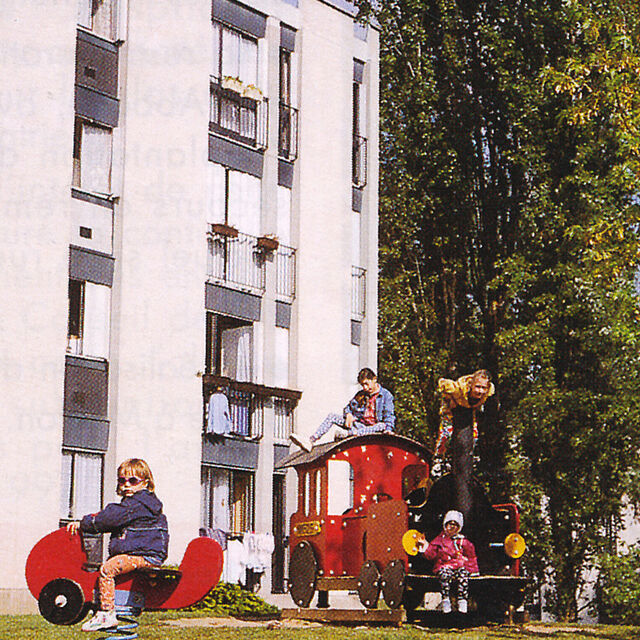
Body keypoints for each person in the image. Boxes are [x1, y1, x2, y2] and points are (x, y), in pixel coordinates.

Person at [66, 458, 169, 632]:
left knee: (107, 569)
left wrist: (84, 523)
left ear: (146, 482)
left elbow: (109, 518)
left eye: (133, 481)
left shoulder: (136, 504)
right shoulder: (143, 504)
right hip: (146, 554)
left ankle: (106, 613)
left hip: (143, 556)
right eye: (122, 480)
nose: (126, 485)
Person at [433, 370, 495, 521]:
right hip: (452, 406)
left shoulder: (490, 392)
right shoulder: (457, 388)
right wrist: (449, 398)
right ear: (471, 386)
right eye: (477, 387)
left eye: (483, 388)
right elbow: (442, 383)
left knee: (473, 436)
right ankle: (438, 459)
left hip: (468, 410)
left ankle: (471, 459)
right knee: (446, 435)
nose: (480, 391)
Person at [290, 367, 395, 452]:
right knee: (332, 416)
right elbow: (348, 408)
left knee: (382, 425)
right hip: (358, 425)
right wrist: (348, 414)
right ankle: (311, 440)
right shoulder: (361, 395)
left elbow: (389, 415)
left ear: (374, 379)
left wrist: (388, 430)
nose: (365, 388)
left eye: (367, 383)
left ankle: (347, 435)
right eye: (362, 385)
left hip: (374, 429)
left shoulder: (385, 395)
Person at [417, 510, 478, 614]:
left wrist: (473, 570)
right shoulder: (439, 540)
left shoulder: (463, 542)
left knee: (463, 576)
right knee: (445, 576)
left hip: (458, 566)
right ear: (445, 525)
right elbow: (431, 554)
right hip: (444, 566)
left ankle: (462, 601)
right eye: (450, 524)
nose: (452, 527)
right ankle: (446, 601)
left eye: (455, 525)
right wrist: (424, 546)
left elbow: (471, 556)